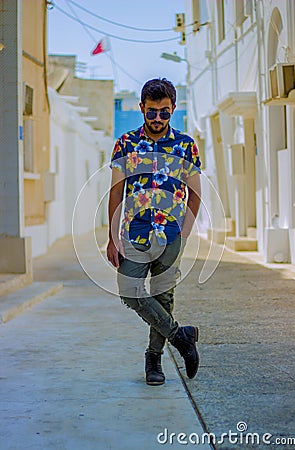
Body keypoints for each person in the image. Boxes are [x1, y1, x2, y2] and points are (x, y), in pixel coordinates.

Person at [107, 78, 201, 386]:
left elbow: (195, 193)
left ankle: (154, 361)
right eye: (151, 112)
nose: (157, 119)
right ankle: (181, 337)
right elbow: (116, 192)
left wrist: (184, 235)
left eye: (164, 112)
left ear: (173, 109)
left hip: (171, 234)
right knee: (129, 290)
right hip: (135, 233)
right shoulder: (126, 144)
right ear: (141, 109)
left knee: (164, 295)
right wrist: (112, 236)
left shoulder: (186, 145)